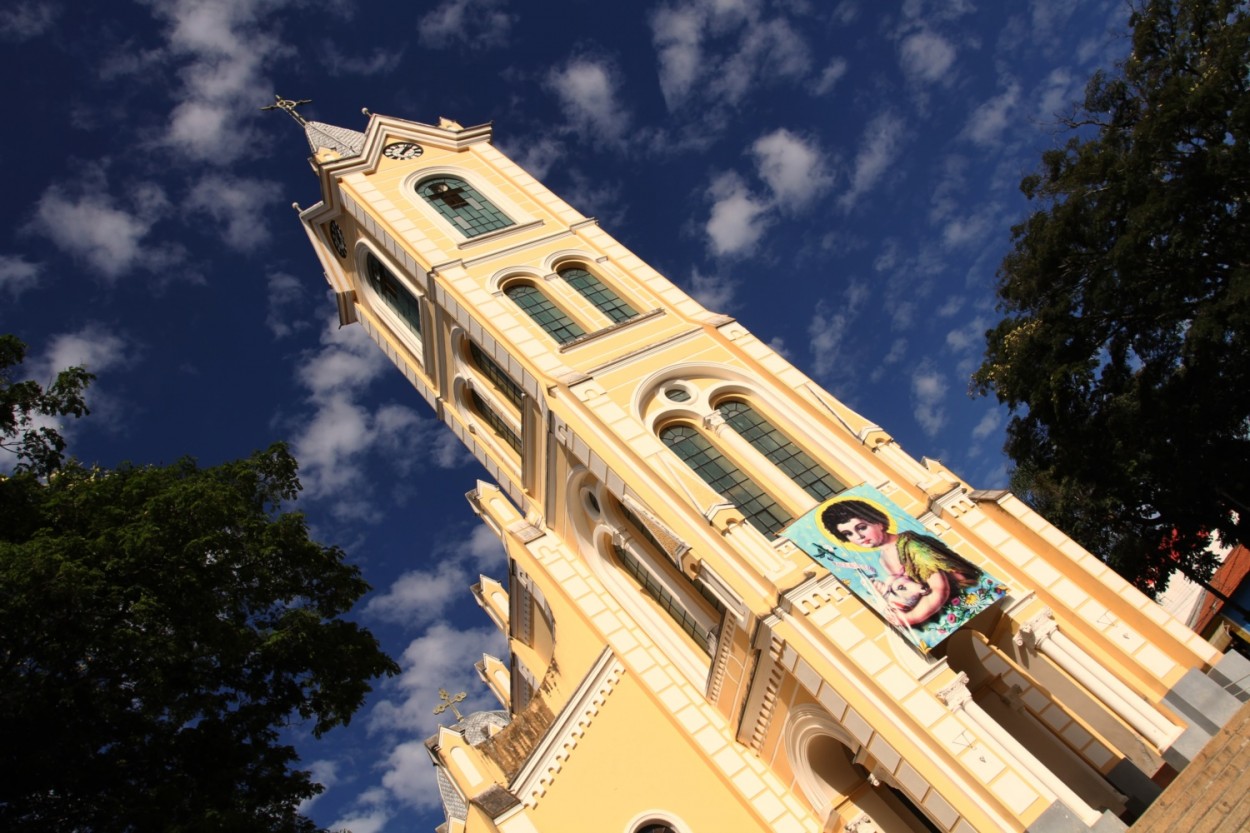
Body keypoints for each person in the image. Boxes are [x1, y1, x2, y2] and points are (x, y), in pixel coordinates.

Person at [819, 499, 983, 627]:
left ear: (878, 522)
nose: (858, 536)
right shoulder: (883, 558)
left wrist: (908, 618)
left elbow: (939, 588)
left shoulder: (912, 545)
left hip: (968, 598)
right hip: (938, 611)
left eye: (862, 527)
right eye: (848, 533)